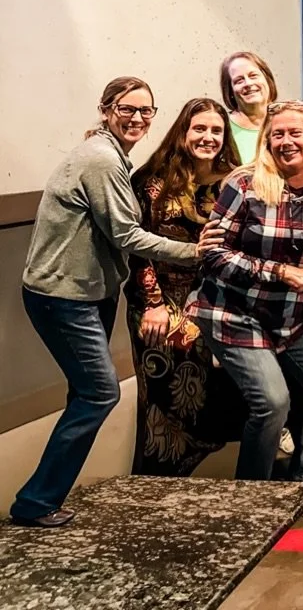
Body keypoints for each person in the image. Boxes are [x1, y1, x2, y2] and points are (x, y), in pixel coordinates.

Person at [12, 77, 214, 528]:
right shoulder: (102, 159)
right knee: (99, 393)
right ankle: (35, 501)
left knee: (85, 393)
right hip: (65, 298)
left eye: (146, 111)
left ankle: (43, 498)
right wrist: (197, 252)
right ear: (106, 110)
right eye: (128, 108)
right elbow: (127, 234)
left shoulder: (110, 155)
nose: (138, 118)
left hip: (89, 294)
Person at [186, 101, 303, 521]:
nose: (286, 142)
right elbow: (212, 254)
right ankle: (253, 497)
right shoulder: (244, 184)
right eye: (276, 134)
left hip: (295, 320)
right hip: (233, 313)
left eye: (295, 133)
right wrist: (277, 271)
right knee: (272, 401)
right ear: (266, 141)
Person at [126, 98, 244, 476]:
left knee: (221, 391)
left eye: (216, 130)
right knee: (163, 395)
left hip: (217, 299)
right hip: (160, 298)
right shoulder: (152, 181)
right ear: (183, 131)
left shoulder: (235, 182)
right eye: (200, 129)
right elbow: (137, 247)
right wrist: (154, 304)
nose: (208, 137)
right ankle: (157, 480)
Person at [220, 51, 278, 163]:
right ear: (230, 91)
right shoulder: (222, 128)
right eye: (239, 80)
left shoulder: (287, 121)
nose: (248, 83)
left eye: (253, 76)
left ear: (267, 79)